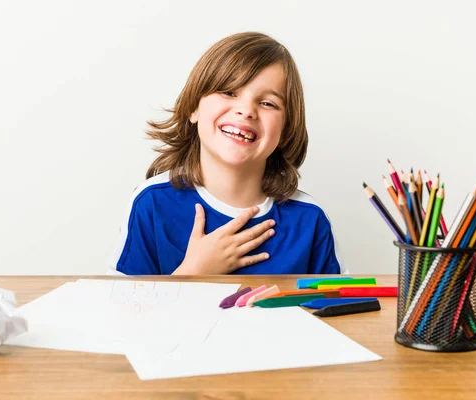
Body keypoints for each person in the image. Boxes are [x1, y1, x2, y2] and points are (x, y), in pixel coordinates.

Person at [109, 32, 347, 275]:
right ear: (194, 108)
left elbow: (339, 308)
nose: (246, 110)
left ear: (285, 130)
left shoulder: (310, 219)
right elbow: (125, 310)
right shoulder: (151, 203)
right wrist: (192, 273)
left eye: (267, 103)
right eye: (229, 92)